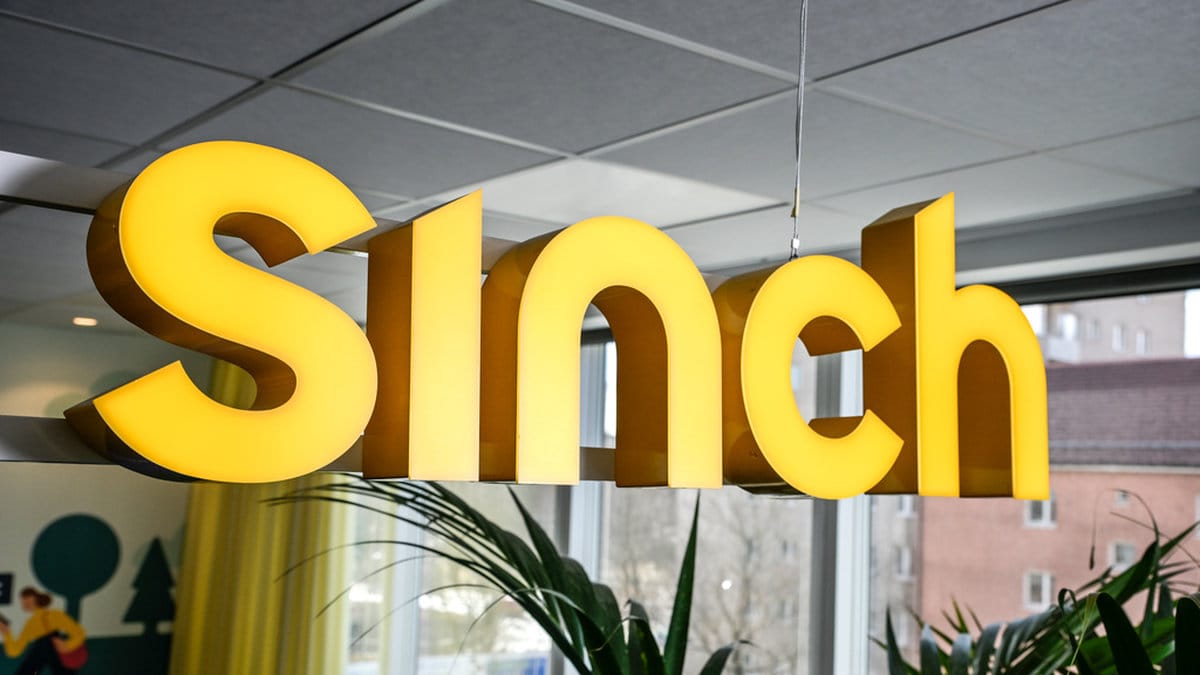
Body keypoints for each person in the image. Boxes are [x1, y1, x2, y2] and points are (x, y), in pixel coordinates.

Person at [0, 587, 86, 675]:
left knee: (44, 644)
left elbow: (79, 633)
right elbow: (14, 651)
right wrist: (6, 633)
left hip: (59, 654)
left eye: (28, 600)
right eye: (24, 601)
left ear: (36, 599)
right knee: (41, 646)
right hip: (46, 653)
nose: (25, 603)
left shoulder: (53, 614)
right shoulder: (30, 624)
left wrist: (67, 645)